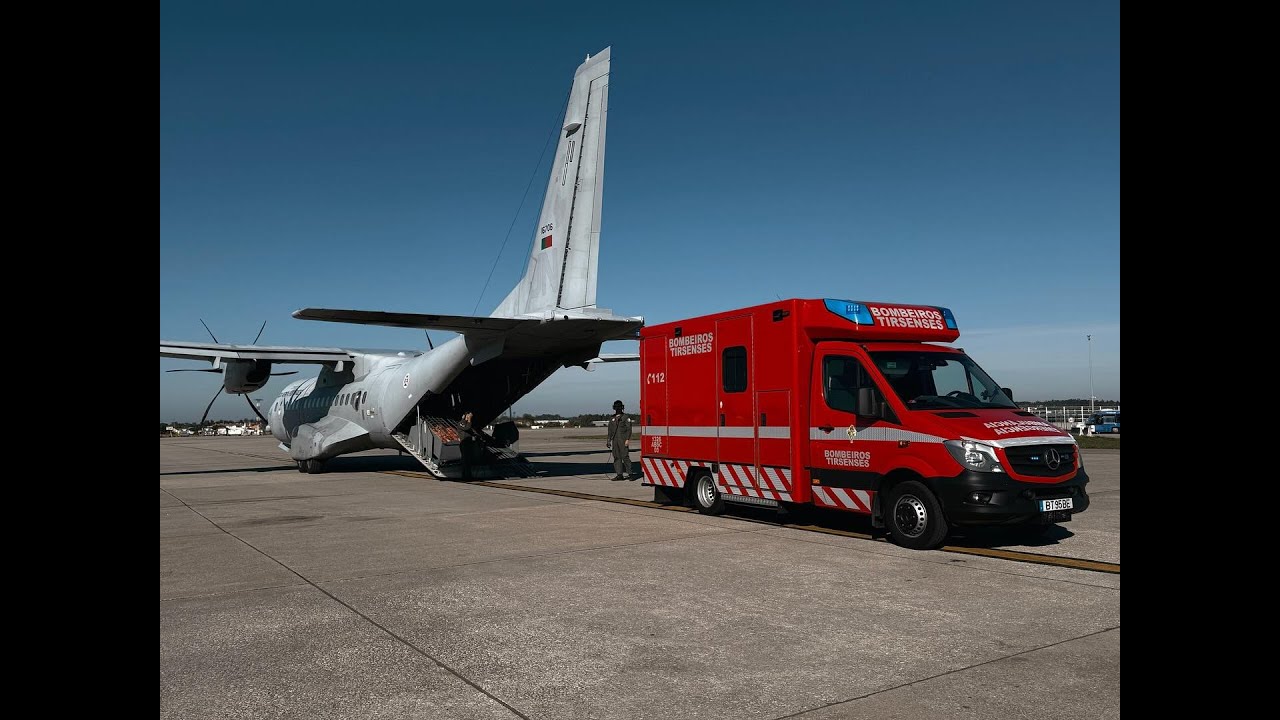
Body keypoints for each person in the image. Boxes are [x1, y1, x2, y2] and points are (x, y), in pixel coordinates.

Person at [607, 400, 633, 481]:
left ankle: (630, 473)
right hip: (615, 441)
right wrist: (608, 440)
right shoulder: (612, 418)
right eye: (616, 407)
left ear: (622, 408)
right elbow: (610, 430)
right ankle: (619, 474)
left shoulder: (625, 417)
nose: (618, 409)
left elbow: (629, 429)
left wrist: (627, 439)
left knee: (625, 457)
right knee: (616, 457)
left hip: (623, 440)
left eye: (619, 407)